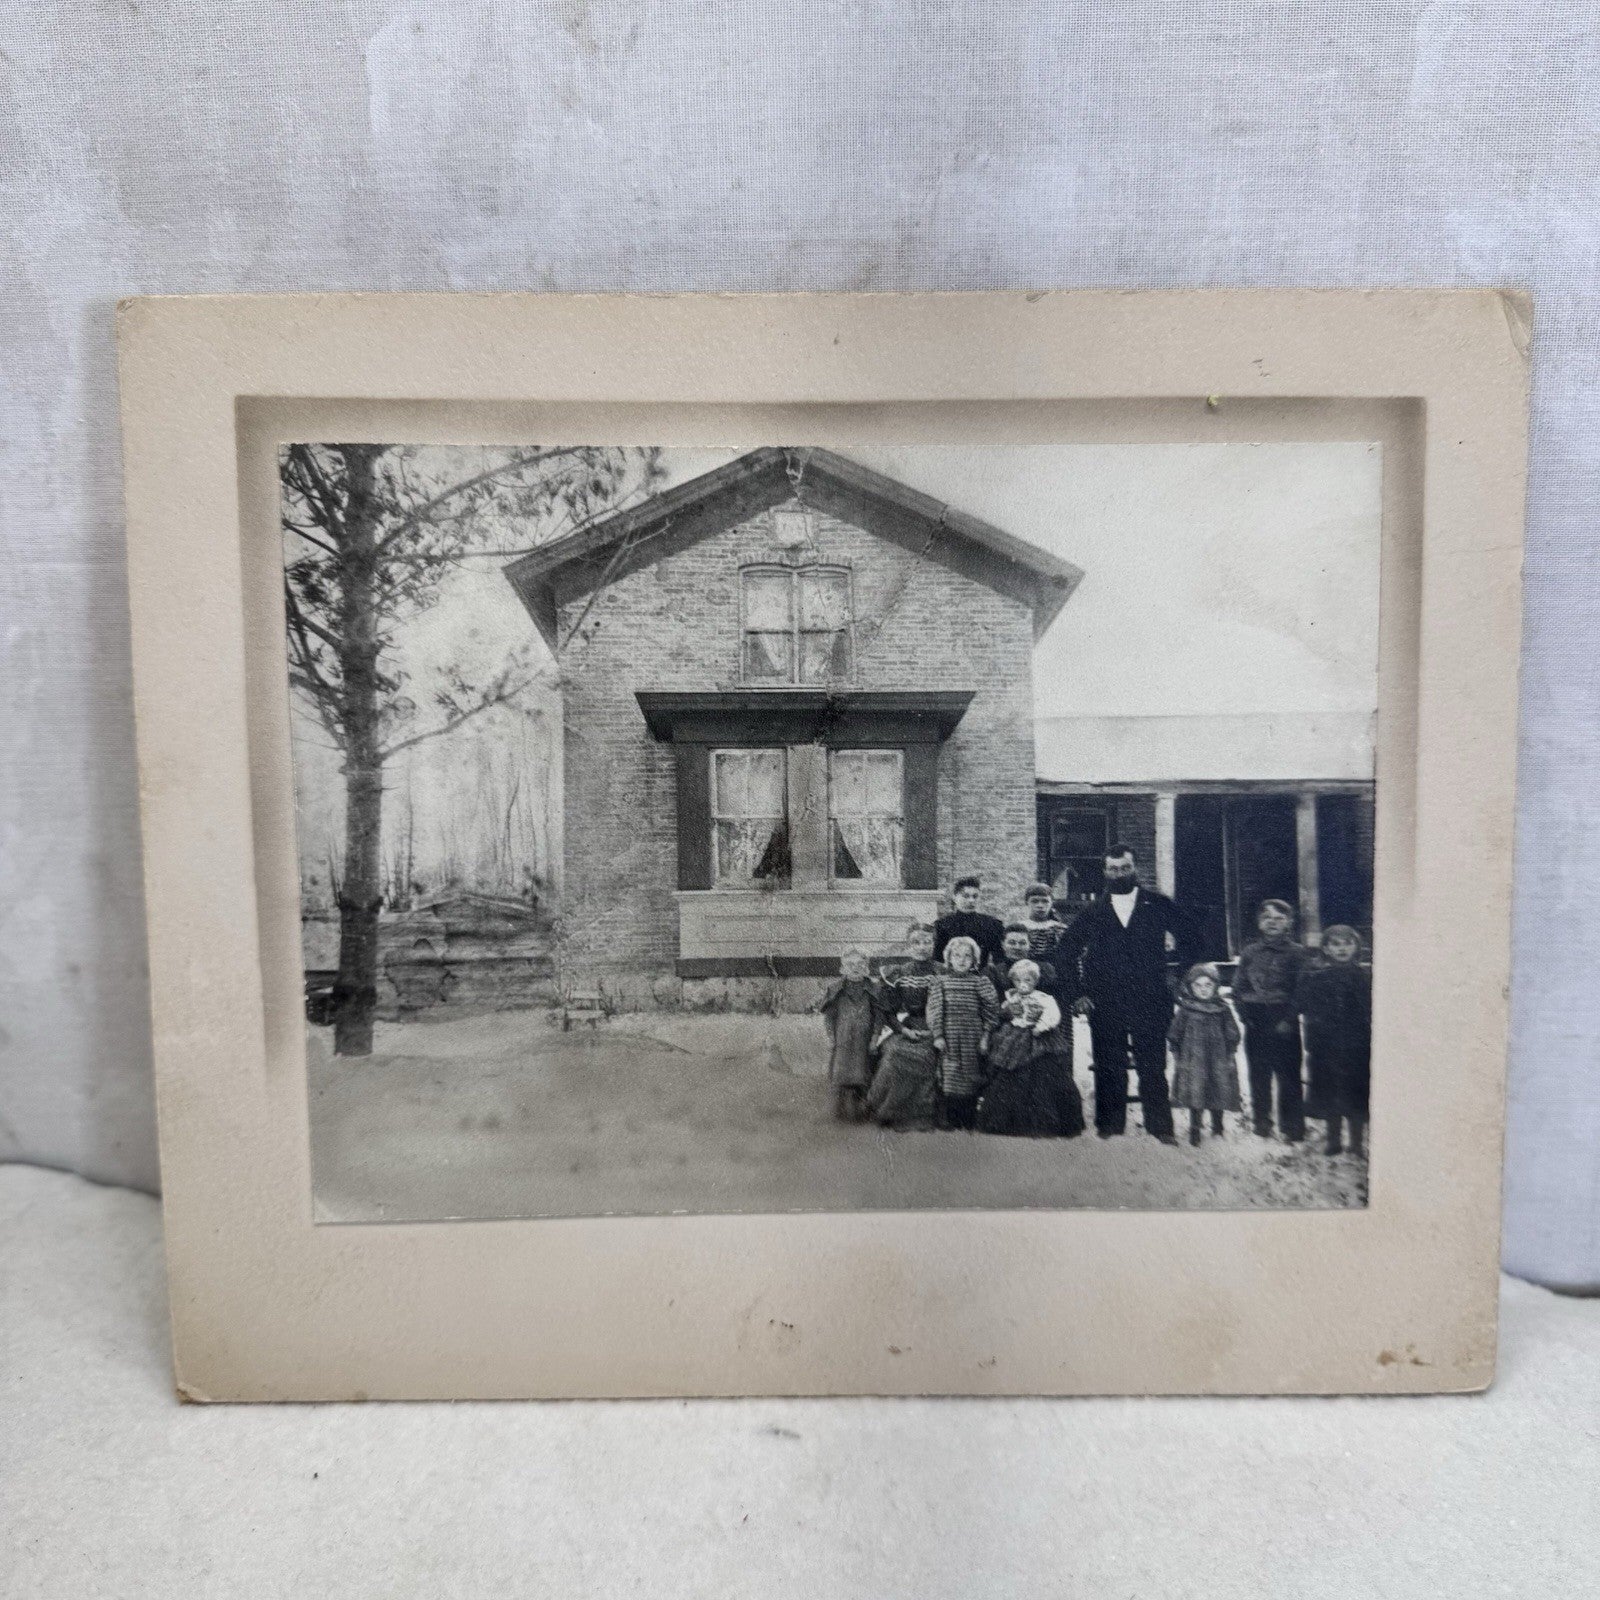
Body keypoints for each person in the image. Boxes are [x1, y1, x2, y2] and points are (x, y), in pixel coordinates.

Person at [1057, 844, 1195, 1144]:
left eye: (1125, 868)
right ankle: (1109, 1127)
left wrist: (1180, 977)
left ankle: (1161, 1128)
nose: (1119, 873)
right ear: (1104, 871)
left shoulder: (1157, 904)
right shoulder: (1093, 912)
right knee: (1109, 1065)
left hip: (1151, 999)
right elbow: (1065, 952)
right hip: (1105, 1001)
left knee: (1153, 1066)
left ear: (1135, 868)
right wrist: (1077, 993)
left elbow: (1192, 937)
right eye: (1113, 869)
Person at [976, 959, 1085, 1138]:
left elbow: (1053, 1016)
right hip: (1014, 1038)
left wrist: (1040, 1027)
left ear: (1035, 981)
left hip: (1039, 1038)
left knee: (1043, 1074)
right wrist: (1008, 1012)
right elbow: (1001, 1013)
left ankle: (1044, 1123)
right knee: (1008, 1074)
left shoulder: (1044, 998)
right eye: (1019, 981)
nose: (1023, 985)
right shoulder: (1011, 997)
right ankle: (1009, 1123)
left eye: (1028, 981)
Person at [1232, 898, 1311, 1142]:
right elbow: (1238, 987)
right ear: (1259, 923)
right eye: (1267, 918)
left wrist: (1289, 1018)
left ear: (1289, 922)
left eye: (1279, 918)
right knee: (1259, 1073)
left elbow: (1302, 990)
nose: (1273, 923)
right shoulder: (1250, 953)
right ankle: (1261, 1123)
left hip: (1284, 1018)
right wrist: (1245, 1014)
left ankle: (1292, 1127)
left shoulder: (1297, 953)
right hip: (1256, 1019)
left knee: (1288, 1075)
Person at [1297, 924, 1371, 1156]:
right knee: (1330, 1092)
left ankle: (1357, 1142)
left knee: (1357, 1092)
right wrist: (1313, 1039)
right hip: (1326, 1047)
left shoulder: (1365, 976)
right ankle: (1334, 1139)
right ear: (1326, 949)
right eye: (1335, 944)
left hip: (1357, 1046)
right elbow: (1306, 1008)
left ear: (1356, 947)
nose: (1342, 949)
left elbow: (1372, 1009)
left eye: (1347, 944)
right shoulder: (1317, 978)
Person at [867, 923, 944, 1130]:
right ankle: (891, 1111)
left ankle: (922, 1115)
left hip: (938, 1028)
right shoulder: (899, 973)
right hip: (909, 1026)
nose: (921, 947)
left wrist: (937, 1031)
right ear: (908, 946)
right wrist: (902, 1030)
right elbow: (888, 1011)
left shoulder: (943, 971)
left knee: (929, 1055)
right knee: (893, 1052)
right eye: (916, 942)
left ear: (934, 944)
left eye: (927, 942)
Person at [928, 935, 1000, 1130]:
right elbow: (935, 1010)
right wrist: (938, 1035)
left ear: (974, 960)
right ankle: (951, 1117)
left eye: (967, 956)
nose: (961, 960)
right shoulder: (940, 982)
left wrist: (986, 1035)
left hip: (973, 1035)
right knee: (950, 1074)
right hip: (949, 1035)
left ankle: (969, 1118)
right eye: (957, 956)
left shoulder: (980, 982)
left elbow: (992, 1010)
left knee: (971, 1074)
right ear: (949, 958)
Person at [1167, 962, 1243, 1145]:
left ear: (1216, 986)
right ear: (1190, 987)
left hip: (1218, 1059)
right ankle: (1195, 1127)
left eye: (1208, 985)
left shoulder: (1222, 1010)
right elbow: (1175, 1033)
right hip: (1193, 1060)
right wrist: (1176, 1052)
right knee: (1196, 1091)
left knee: (1218, 1088)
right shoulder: (1186, 1010)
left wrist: (1231, 1051)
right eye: (1198, 985)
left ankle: (1218, 1126)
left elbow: (1233, 1033)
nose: (1203, 990)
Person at [817, 950, 879, 1123]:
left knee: (863, 1071)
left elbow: (879, 1017)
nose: (856, 968)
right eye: (850, 965)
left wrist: (875, 1038)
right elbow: (829, 1017)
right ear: (842, 968)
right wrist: (831, 1038)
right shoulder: (836, 990)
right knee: (840, 1072)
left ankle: (861, 1108)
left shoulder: (874, 990)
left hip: (863, 1039)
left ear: (867, 968)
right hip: (843, 1038)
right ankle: (838, 1109)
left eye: (860, 965)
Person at [932, 875, 1007, 969]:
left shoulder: (991, 924)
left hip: (981, 978)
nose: (971, 900)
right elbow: (938, 959)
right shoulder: (942, 925)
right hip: (951, 978)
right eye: (966, 896)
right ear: (954, 897)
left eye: (975, 896)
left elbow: (999, 959)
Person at [983, 925, 1060, 1010]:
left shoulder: (1044, 970)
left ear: (1029, 945)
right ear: (1003, 945)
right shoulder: (993, 972)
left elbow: (1053, 1004)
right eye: (1012, 943)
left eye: (1022, 943)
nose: (1017, 947)